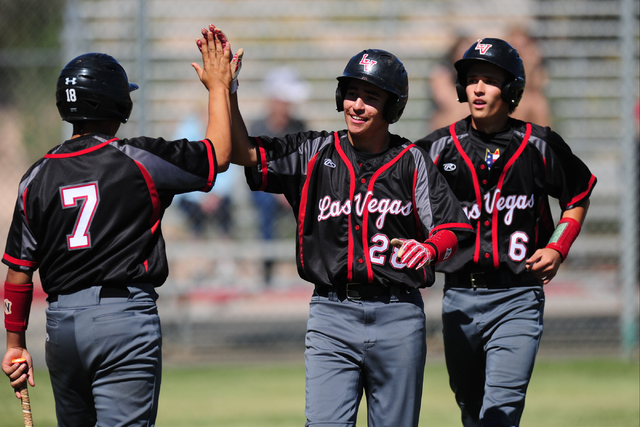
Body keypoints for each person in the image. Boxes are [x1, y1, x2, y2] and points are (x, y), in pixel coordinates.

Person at [217, 25, 475, 426]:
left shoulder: (412, 160)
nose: (356, 104)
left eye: (371, 97)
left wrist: (428, 249)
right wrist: (226, 91)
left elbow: (453, 228)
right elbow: (242, 151)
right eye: (351, 93)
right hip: (331, 313)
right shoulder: (314, 152)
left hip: (398, 315)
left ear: (392, 107)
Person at [2, 27, 239, 426]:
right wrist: (218, 87)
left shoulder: (36, 176)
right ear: (116, 103)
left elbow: (18, 273)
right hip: (122, 318)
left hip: (60, 326)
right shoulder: (137, 158)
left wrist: (14, 345)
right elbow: (217, 154)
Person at [415, 38, 597, 427]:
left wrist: (558, 247)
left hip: (518, 294)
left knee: (501, 410)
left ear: (512, 88)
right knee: (470, 408)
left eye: (490, 79)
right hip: (459, 296)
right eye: (471, 79)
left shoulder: (539, 144)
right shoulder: (438, 148)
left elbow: (578, 195)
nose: (478, 88)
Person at [249, 66, 310, 285]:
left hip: (291, 187)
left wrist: (290, 189)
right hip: (265, 188)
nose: (288, 106)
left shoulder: (299, 126)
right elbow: (256, 168)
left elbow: (304, 164)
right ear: (274, 100)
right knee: (266, 204)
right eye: (285, 100)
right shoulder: (257, 127)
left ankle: (310, 263)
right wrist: (278, 191)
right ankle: (268, 268)